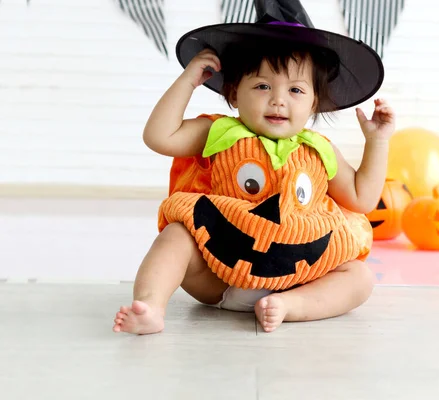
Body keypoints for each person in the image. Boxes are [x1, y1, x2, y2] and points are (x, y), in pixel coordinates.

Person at [113, 0, 395, 335]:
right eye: (262, 86)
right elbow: (158, 136)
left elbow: (362, 199)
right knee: (176, 236)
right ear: (233, 93)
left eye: (295, 90)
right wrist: (188, 81)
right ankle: (150, 307)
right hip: (218, 275)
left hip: (300, 275)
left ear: (313, 102)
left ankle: (292, 306)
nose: (278, 100)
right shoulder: (218, 132)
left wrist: (377, 141)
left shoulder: (319, 150)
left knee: (359, 278)